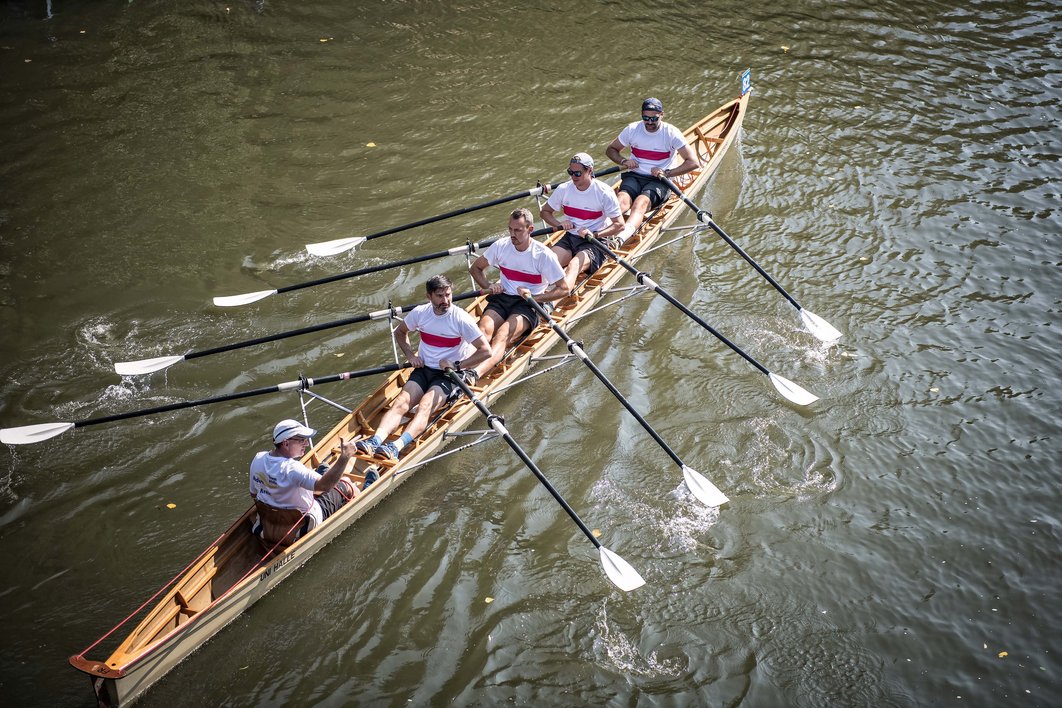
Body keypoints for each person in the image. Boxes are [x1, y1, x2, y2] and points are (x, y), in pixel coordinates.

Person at [356, 274, 492, 461]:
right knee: (401, 402)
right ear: (429, 297)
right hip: (424, 368)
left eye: (448, 295)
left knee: (426, 405)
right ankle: (375, 441)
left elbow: (486, 351)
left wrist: (457, 365)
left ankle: (396, 446)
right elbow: (400, 332)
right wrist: (411, 356)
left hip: (448, 375)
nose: (446, 300)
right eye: (440, 296)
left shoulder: (461, 318)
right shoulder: (420, 313)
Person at [467, 208, 568, 379]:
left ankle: (473, 374)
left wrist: (534, 297)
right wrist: (489, 285)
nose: (512, 234)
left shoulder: (543, 255)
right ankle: (459, 367)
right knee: (483, 331)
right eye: (510, 229)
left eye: (518, 230)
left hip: (529, 304)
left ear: (530, 230)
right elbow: (475, 268)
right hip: (503, 298)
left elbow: (564, 289)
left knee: (502, 335)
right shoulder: (501, 246)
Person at [249, 419, 358, 546]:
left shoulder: (258, 459)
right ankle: (365, 488)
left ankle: (322, 473)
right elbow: (325, 486)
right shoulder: (293, 469)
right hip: (303, 526)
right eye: (302, 440)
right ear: (286, 443)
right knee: (346, 482)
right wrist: (345, 456)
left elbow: (253, 494)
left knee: (312, 484)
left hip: (267, 527)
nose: (306, 444)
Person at [605, 97, 699, 240]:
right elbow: (611, 149)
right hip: (634, 176)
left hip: (659, 180)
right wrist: (624, 161)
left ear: (662, 114)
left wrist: (667, 173)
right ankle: (600, 231)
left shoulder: (671, 133)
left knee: (640, 203)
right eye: (645, 118)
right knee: (621, 200)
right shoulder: (632, 129)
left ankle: (620, 239)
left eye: (654, 118)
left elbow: (693, 162)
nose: (649, 122)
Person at [540, 152, 625, 294]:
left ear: (589, 171)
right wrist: (559, 224)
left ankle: (551, 302)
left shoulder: (604, 192)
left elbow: (620, 225)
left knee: (573, 265)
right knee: (547, 263)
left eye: (577, 173)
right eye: (570, 172)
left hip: (596, 242)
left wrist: (595, 234)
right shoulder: (563, 189)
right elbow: (544, 212)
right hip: (570, 237)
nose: (573, 177)